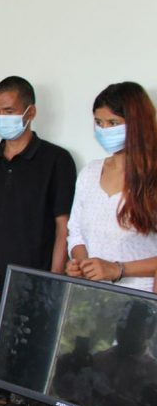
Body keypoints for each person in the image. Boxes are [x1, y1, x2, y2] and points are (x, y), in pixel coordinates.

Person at [0, 76, 76, 277]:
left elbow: (63, 226)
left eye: (8, 111)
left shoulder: (57, 160)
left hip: (31, 279)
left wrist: (54, 279)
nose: (0, 118)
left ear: (30, 112)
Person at [66, 82, 157, 291]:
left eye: (113, 123)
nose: (104, 130)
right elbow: (76, 232)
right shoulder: (90, 173)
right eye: (99, 122)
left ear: (137, 124)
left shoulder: (152, 177)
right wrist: (82, 264)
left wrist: (118, 269)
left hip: (142, 299)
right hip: (93, 298)